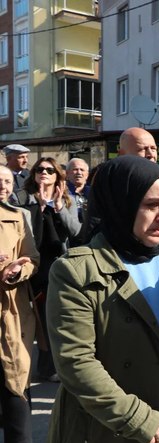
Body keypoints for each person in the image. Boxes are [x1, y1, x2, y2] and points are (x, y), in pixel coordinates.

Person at [44, 155, 159, 443]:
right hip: (111, 437)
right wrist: (137, 417)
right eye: (152, 205)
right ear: (121, 203)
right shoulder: (75, 271)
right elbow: (76, 362)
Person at [15, 157, 81, 383]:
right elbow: (27, 235)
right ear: (33, 174)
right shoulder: (23, 199)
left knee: (56, 317)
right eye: (40, 169)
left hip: (59, 265)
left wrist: (58, 208)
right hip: (33, 267)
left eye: (49, 170)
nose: (44, 172)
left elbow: (76, 232)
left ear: (57, 176)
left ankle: (50, 366)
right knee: (36, 320)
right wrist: (40, 208)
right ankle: (38, 366)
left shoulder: (67, 200)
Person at [0, 166, 41, 443]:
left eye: (6, 181)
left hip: (11, 308)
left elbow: (33, 260)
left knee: (17, 374)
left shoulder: (18, 216)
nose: (2, 185)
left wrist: (18, 270)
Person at [66, 157, 91, 223]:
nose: (79, 172)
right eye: (75, 169)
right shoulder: (62, 192)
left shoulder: (93, 192)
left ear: (87, 175)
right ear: (67, 174)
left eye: (82, 170)